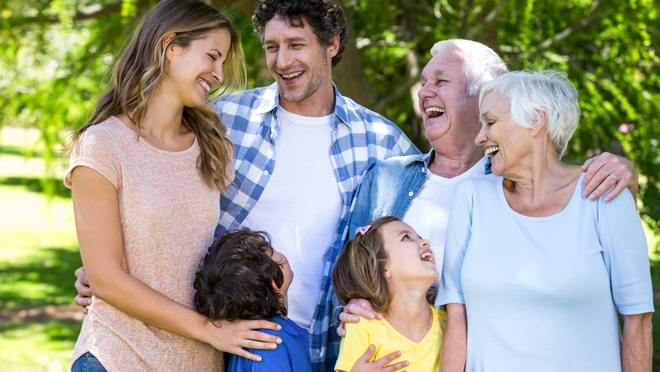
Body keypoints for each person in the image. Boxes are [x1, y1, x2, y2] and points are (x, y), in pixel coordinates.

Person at [73, 0, 417, 370]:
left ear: (331, 45)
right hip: (212, 345)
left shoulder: (382, 141)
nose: (282, 61)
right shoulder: (221, 125)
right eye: (272, 47)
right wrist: (104, 274)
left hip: (318, 345)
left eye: (296, 45)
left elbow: (422, 232)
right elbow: (142, 210)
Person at [339, 39, 638, 343]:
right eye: (424, 82)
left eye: (441, 81)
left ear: (486, 96)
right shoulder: (385, 178)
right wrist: (354, 304)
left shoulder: (519, 180)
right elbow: (352, 277)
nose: (425, 92)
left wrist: (628, 176)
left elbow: (597, 257)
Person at [62, 1, 269, 370]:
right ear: (171, 47)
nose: (218, 73)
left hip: (201, 361)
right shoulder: (102, 145)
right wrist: (209, 330)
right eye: (212, 56)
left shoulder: (212, 147)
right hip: (117, 356)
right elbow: (106, 280)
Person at [438, 70, 653, 371]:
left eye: (491, 122)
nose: (479, 136)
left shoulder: (604, 192)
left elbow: (638, 320)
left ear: (537, 120)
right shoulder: (471, 198)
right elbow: (456, 316)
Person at [332, 217, 446, 372]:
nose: (425, 241)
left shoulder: (449, 325)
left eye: (419, 237)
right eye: (406, 237)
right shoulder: (361, 326)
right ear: (383, 267)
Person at [193, 229, 311, 372]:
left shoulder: (272, 336)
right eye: (273, 251)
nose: (282, 255)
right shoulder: (268, 345)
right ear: (274, 281)